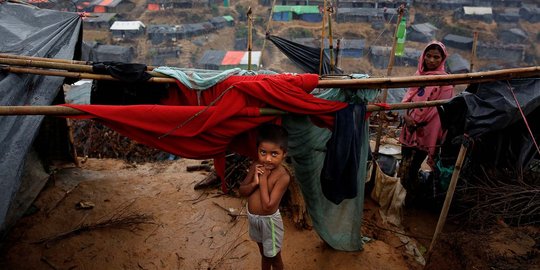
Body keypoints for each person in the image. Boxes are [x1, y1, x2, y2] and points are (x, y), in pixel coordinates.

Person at [398, 41, 454, 203]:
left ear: (442, 59)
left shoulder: (446, 82)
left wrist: (419, 123)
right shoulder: (418, 75)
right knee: (404, 162)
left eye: (436, 57)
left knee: (415, 165)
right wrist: (407, 117)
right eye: (428, 56)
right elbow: (409, 98)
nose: (431, 60)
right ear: (423, 57)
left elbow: (439, 111)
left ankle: (409, 197)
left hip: (425, 132)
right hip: (409, 128)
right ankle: (399, 193)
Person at [239, 123, 291, 270]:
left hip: (269, 223)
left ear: (284, 153)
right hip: (254, 219)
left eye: (274, 154)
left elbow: (268, 206)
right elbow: (242, 191)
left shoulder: (283, 176)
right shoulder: (256, 166)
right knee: (264, 254)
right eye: (263, 152)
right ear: (258, 150)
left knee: (274, 257)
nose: (268, 159)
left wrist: (262, 180)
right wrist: (254, 182)